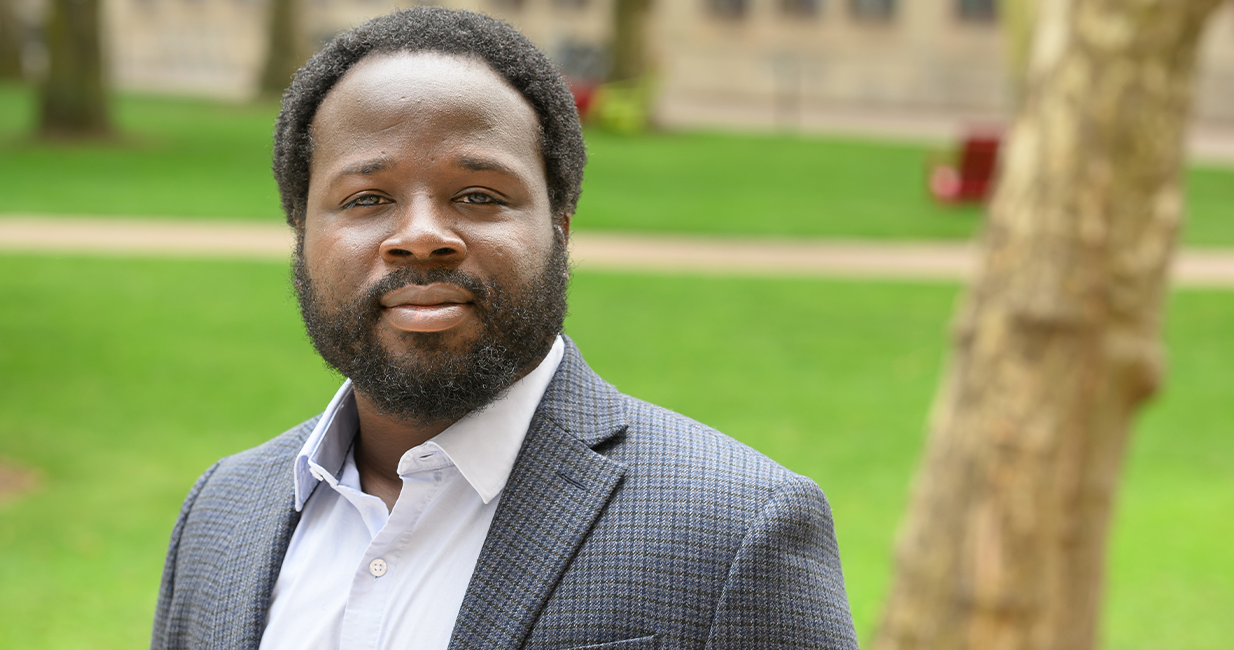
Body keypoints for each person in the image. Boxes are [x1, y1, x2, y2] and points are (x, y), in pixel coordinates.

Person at [152, 8, 857, 649]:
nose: (421, 236)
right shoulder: (222, 512)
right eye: (366, 198)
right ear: (302, 233)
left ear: (559, 227)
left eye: (479, 195)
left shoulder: (735, 530)